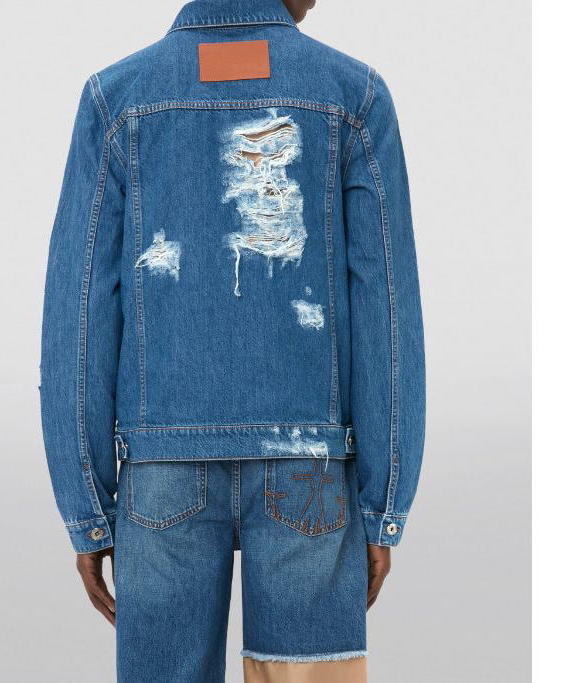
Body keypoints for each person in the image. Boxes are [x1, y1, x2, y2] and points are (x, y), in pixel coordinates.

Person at [40, 0, 425, 680]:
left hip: (160, 472)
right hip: (310, 468)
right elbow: (386, 308)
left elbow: (79, 316)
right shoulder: (353, 96)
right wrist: (382, 502)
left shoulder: (117, 100)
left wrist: (88, 509)